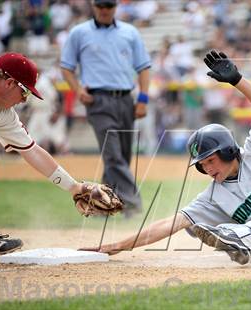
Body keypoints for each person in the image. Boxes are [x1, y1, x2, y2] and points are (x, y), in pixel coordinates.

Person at [82, 50, 251, 265]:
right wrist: (115, 246)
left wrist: (238, 80)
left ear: (229, 150)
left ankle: (241, 237)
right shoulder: (212, 197)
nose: (207, 169)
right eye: (202, 165)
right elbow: (169, 224)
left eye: (210, 160)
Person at [60, 0, 151, 216]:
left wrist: (143, 99)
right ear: (93, 6)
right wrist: (77, 90)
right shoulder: (78, 33)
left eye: (108, 6)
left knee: (123, 158)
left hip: (126, 100)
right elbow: (66, 67)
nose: (104, 10)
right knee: (113, 157)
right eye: (100, 5)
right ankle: (134, 207)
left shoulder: (130, 32)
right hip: (97, 101)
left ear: (115, 7)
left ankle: (101, 209)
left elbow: (144, 67)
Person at [0, 52, 85, 255]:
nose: (24, 100)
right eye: (24, 92)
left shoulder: (2, 111)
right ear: (9, 83)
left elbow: (32, 151)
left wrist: (74, 187)